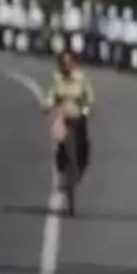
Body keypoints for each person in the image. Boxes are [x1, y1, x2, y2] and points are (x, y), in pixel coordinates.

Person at [44, 51, 95, 185]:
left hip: (77, 114)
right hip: (62, 114)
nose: (66, 65)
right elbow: (52, 94)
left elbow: (89, 96)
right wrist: (48, 105)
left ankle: (80, 167)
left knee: (83, 143)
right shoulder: (57, 78)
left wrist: (86, 108)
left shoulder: (81, 78)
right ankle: (61, 167)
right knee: (60, 142)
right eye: (63, 63)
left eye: (68, 62)